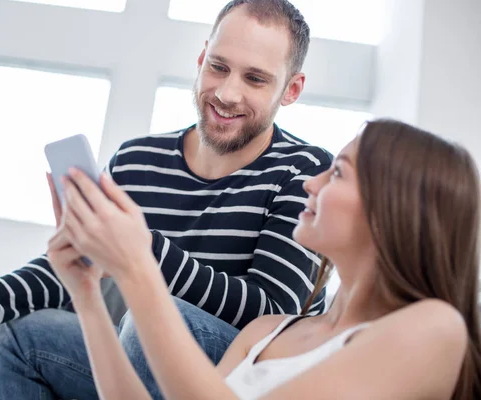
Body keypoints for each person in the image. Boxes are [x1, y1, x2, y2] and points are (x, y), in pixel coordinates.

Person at [0, 1, 333, 398]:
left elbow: (273, 317)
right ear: (201, 58)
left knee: (153, 319)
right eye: (218, 67)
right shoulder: (137, 160)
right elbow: (82, 266)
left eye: (255, 79)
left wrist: (140, 252)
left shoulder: (307, 172)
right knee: (17, 336)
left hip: (237, 381)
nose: (227, 93)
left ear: (291, 90)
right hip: (138, 364)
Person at [48, 119, 481, 400]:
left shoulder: (435, 328)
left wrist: (139, 265)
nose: (312, 183)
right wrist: (85, 295)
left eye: (339, 173)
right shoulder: (267, 332)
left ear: (395, 211)